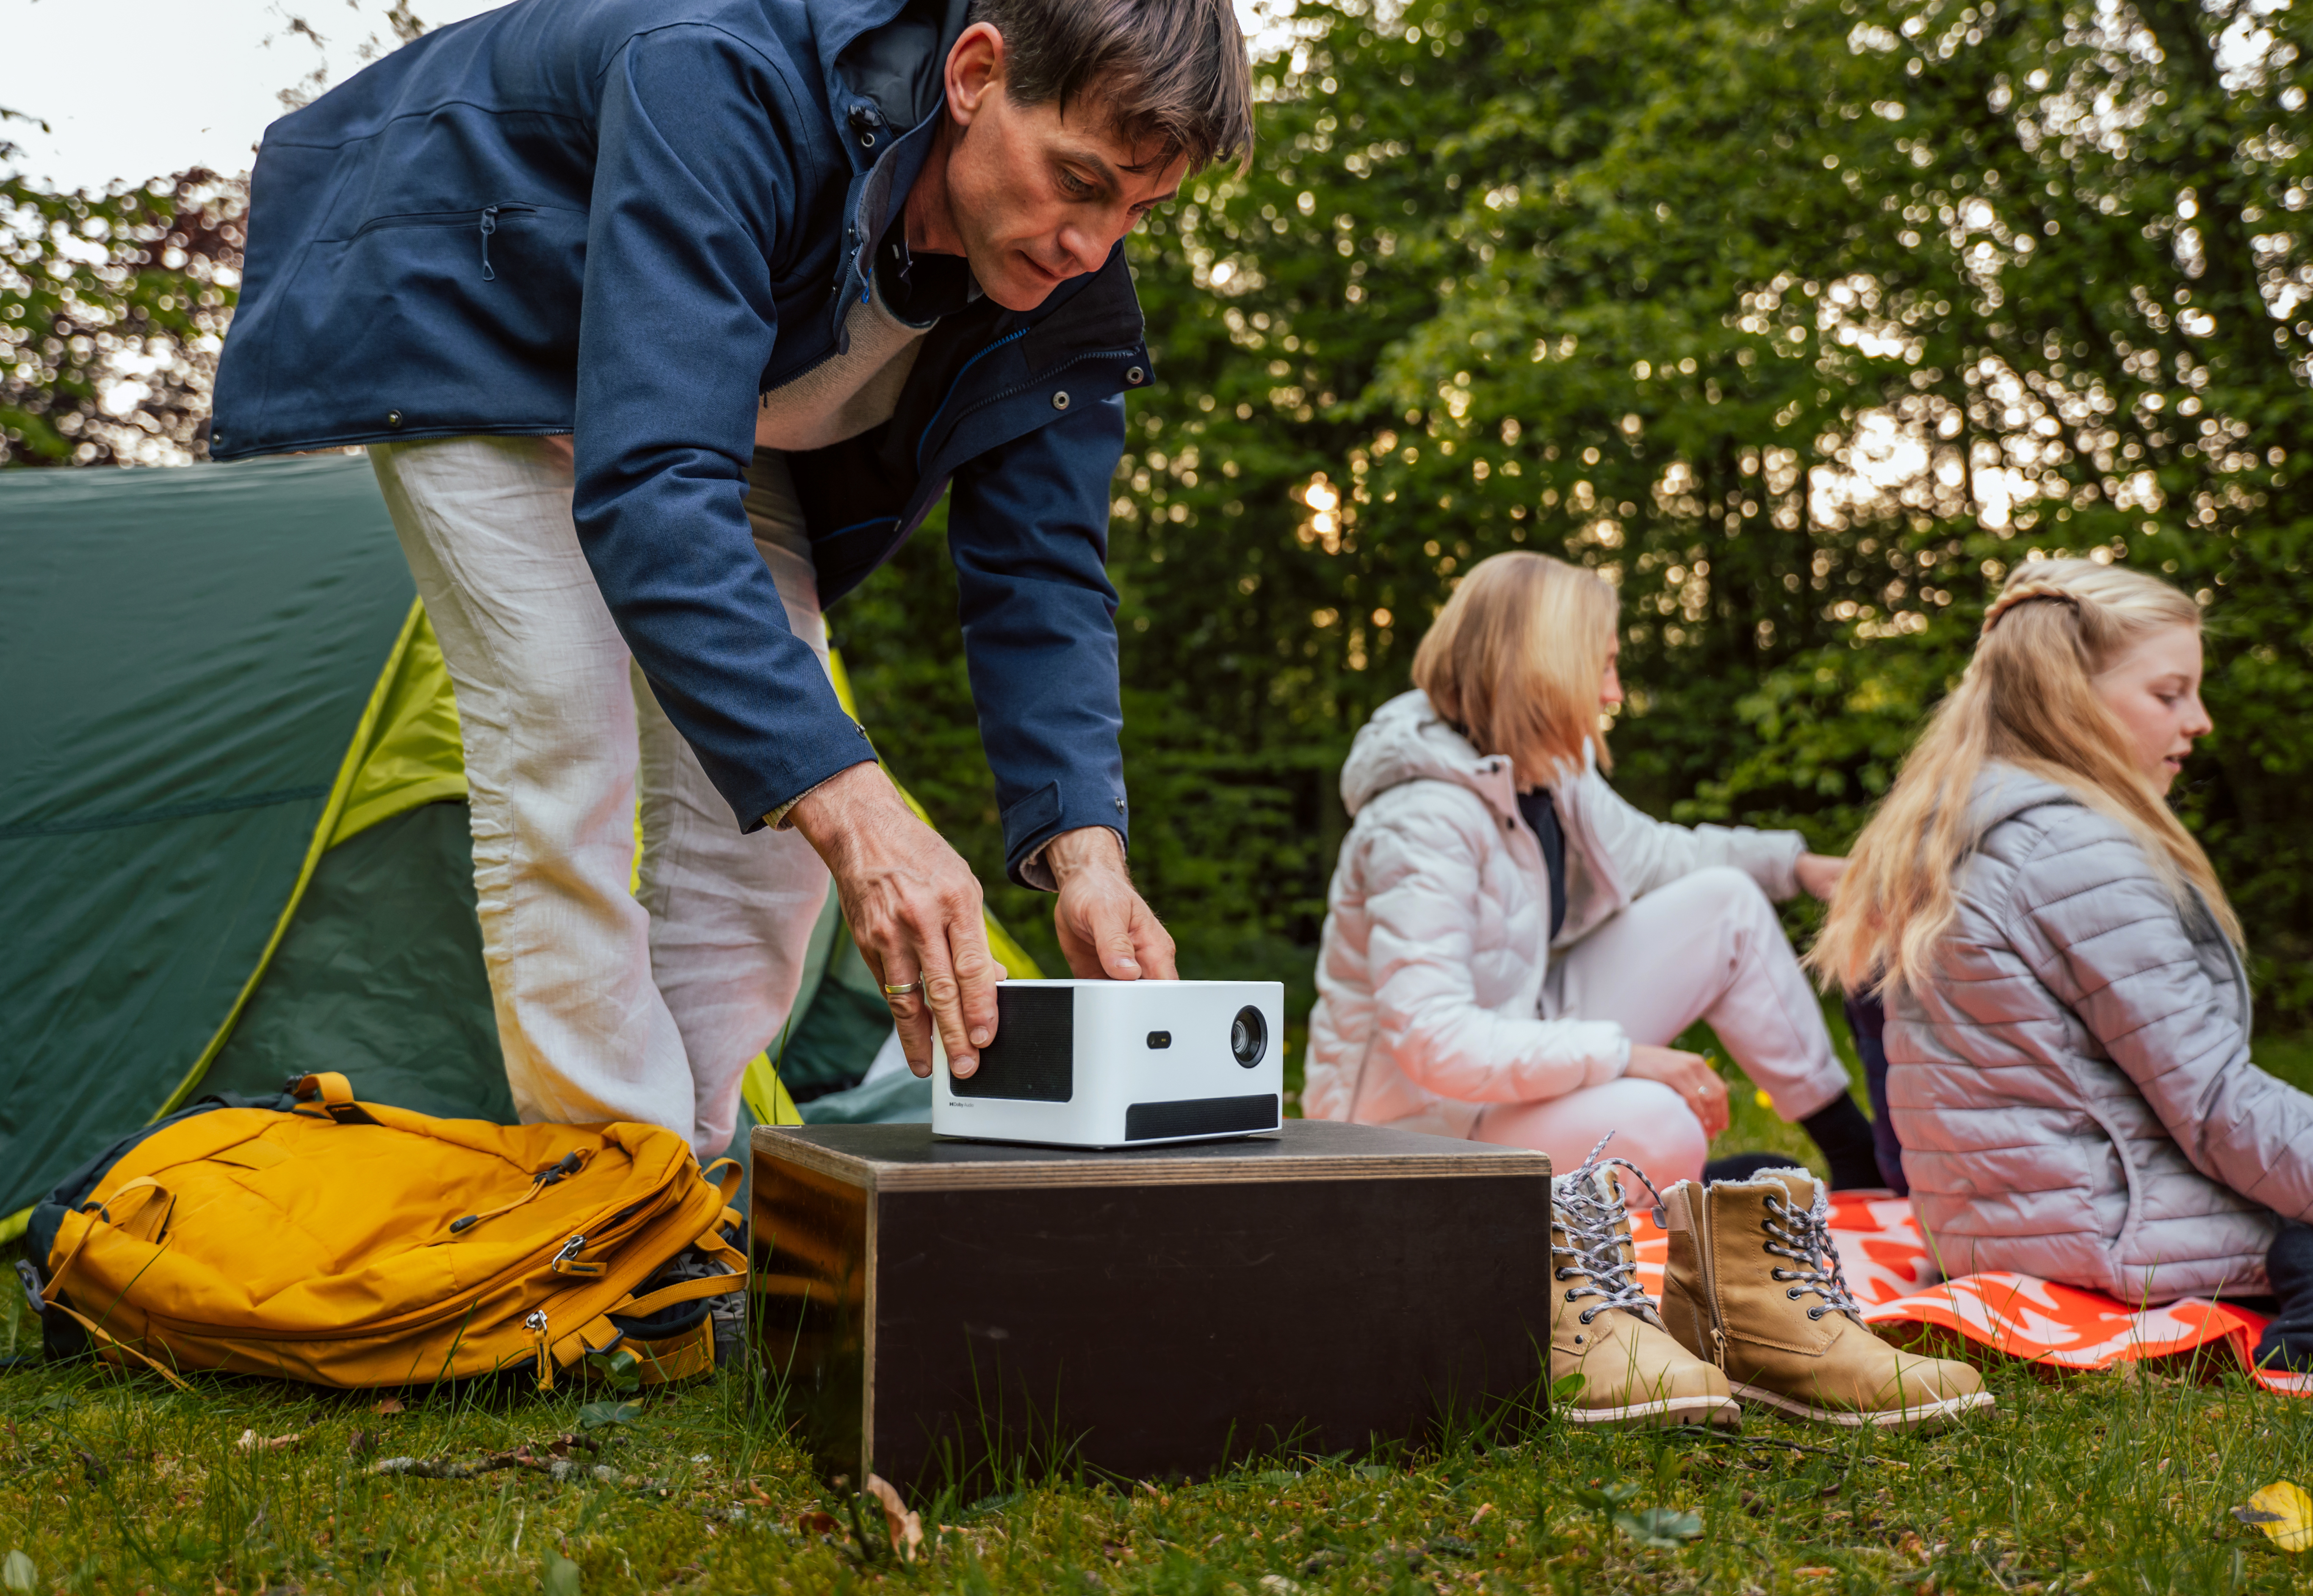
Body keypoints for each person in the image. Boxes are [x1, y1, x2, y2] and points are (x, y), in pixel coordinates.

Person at [208, 0, 1252, 1159]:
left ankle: (689, 1177)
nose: (1091, 246)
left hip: (712, 398)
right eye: (1077, 182)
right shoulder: (722, 76)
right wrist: (865, 816)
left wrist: (1087, 854)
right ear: (973, 74)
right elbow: (651, 477)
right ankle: (613, 1195)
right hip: (478, 313)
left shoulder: (1069, 287)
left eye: (1137, 210)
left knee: (771, 824)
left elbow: (1043, 572)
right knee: (567, 728)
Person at [1811, 559, 2313, 1370]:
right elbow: (2217, 1108)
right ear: (2070, 694)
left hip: (1994, 1231)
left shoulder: (1968, 819)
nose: (2201, 721)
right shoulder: (2074, 851)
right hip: (2101, 1234)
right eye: (2170, 693)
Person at [1303, 551, 1880, 1192]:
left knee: (1728, 904)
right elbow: (1433, 1040)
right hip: (1411, 1131)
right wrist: (1624, 1058)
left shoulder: (1545, 772)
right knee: (1662, 1124)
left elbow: (1658, 856)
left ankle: (1857, 1156)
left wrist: (1798, 867)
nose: (1614, 693)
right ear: (1543, 670)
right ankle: (1655, 1190)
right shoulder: (1422, 818)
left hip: (1511, 1048)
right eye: (1603, 666)